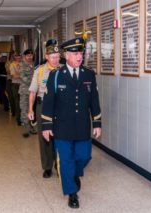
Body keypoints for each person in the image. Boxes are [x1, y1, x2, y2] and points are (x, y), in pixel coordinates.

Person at [41, 38, 102, 209]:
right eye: (75, 53)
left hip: (82, 126)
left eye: (81, 53)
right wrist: (46, 126)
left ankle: (74, 173)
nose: (79, 56)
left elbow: (94, 101)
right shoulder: (56, 75)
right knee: (66, 160)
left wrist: (97, 123)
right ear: (66, 56)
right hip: (62, 127)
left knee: (84, 156)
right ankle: (72, 193)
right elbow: (48, 102)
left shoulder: (89, 74)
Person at [28, 39, 60, 178]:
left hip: (60, 107)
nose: (56, 60)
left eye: (58, 57)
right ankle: (47, 166)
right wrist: (30, 109)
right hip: (43, 106)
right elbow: (33, 92)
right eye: (53, 57)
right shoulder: (39, 71)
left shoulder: (64, 70)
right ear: (47, 56)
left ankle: (60, 164)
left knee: (60, 136)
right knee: (45, 137)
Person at [19, 49, 36, 137]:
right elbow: (23, 78)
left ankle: (31, 126)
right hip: (25, 91)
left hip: (33, 91)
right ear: (25, 56)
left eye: (31, 55)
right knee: (25, 109)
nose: (30, 57)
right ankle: (26, 128)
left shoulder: (34, 65)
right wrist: (34, 82)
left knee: (32, 109)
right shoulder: (22, 65)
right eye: (28, 56)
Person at [10, 52, 22, 125]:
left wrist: (20, 75)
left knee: (23, 102)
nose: (19, 58)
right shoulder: (12, 65)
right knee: (17, 103)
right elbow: (14, 76)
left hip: (23, 85)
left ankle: (24, 118)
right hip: (16, 85)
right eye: (17, 56)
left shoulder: (23, 64)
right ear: (15, 57)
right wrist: (23, 75)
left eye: (20, 56)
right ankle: (19, 119)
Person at [5, 51, 15, 116]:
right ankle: (13, 110)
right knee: (11, 97)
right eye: (13, 56)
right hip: (10, 81)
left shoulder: (18, 63)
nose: (14, 57)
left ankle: (17, 110)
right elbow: (9, 72)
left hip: (16, 81)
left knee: (16, 97)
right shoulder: (8, 63)